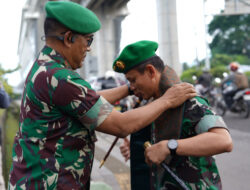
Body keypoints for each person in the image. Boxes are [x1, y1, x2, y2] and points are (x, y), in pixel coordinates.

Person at [8, 2, 196, 190]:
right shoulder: (60, 77)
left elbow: (89, 99)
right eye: (88, 41)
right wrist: (168, 99)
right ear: (68, 38)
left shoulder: (44, 67)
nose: (89, 48)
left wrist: (130, 89)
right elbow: (121, 125)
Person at [115, 40, 233, 190]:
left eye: (133, 80)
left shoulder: (187, 101)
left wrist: (170, 146)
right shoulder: (154, 105)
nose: (131, 88)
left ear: (151, 71)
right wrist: (138, 150)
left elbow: (223, 140)